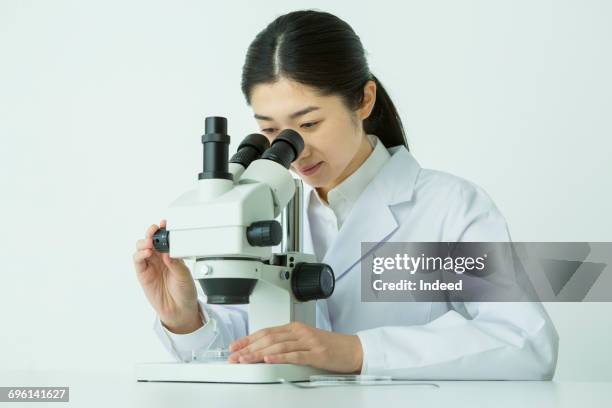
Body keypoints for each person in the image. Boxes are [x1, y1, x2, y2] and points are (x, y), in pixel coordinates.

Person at [132, 10, 558, 379]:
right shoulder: (272, 210)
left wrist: (355, 351)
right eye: (269, 131)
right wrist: (185, 319)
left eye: (310, 124)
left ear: (364, 100)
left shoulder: (447, 207)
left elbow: (524, 342)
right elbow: (255, 340)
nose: (295, 151)